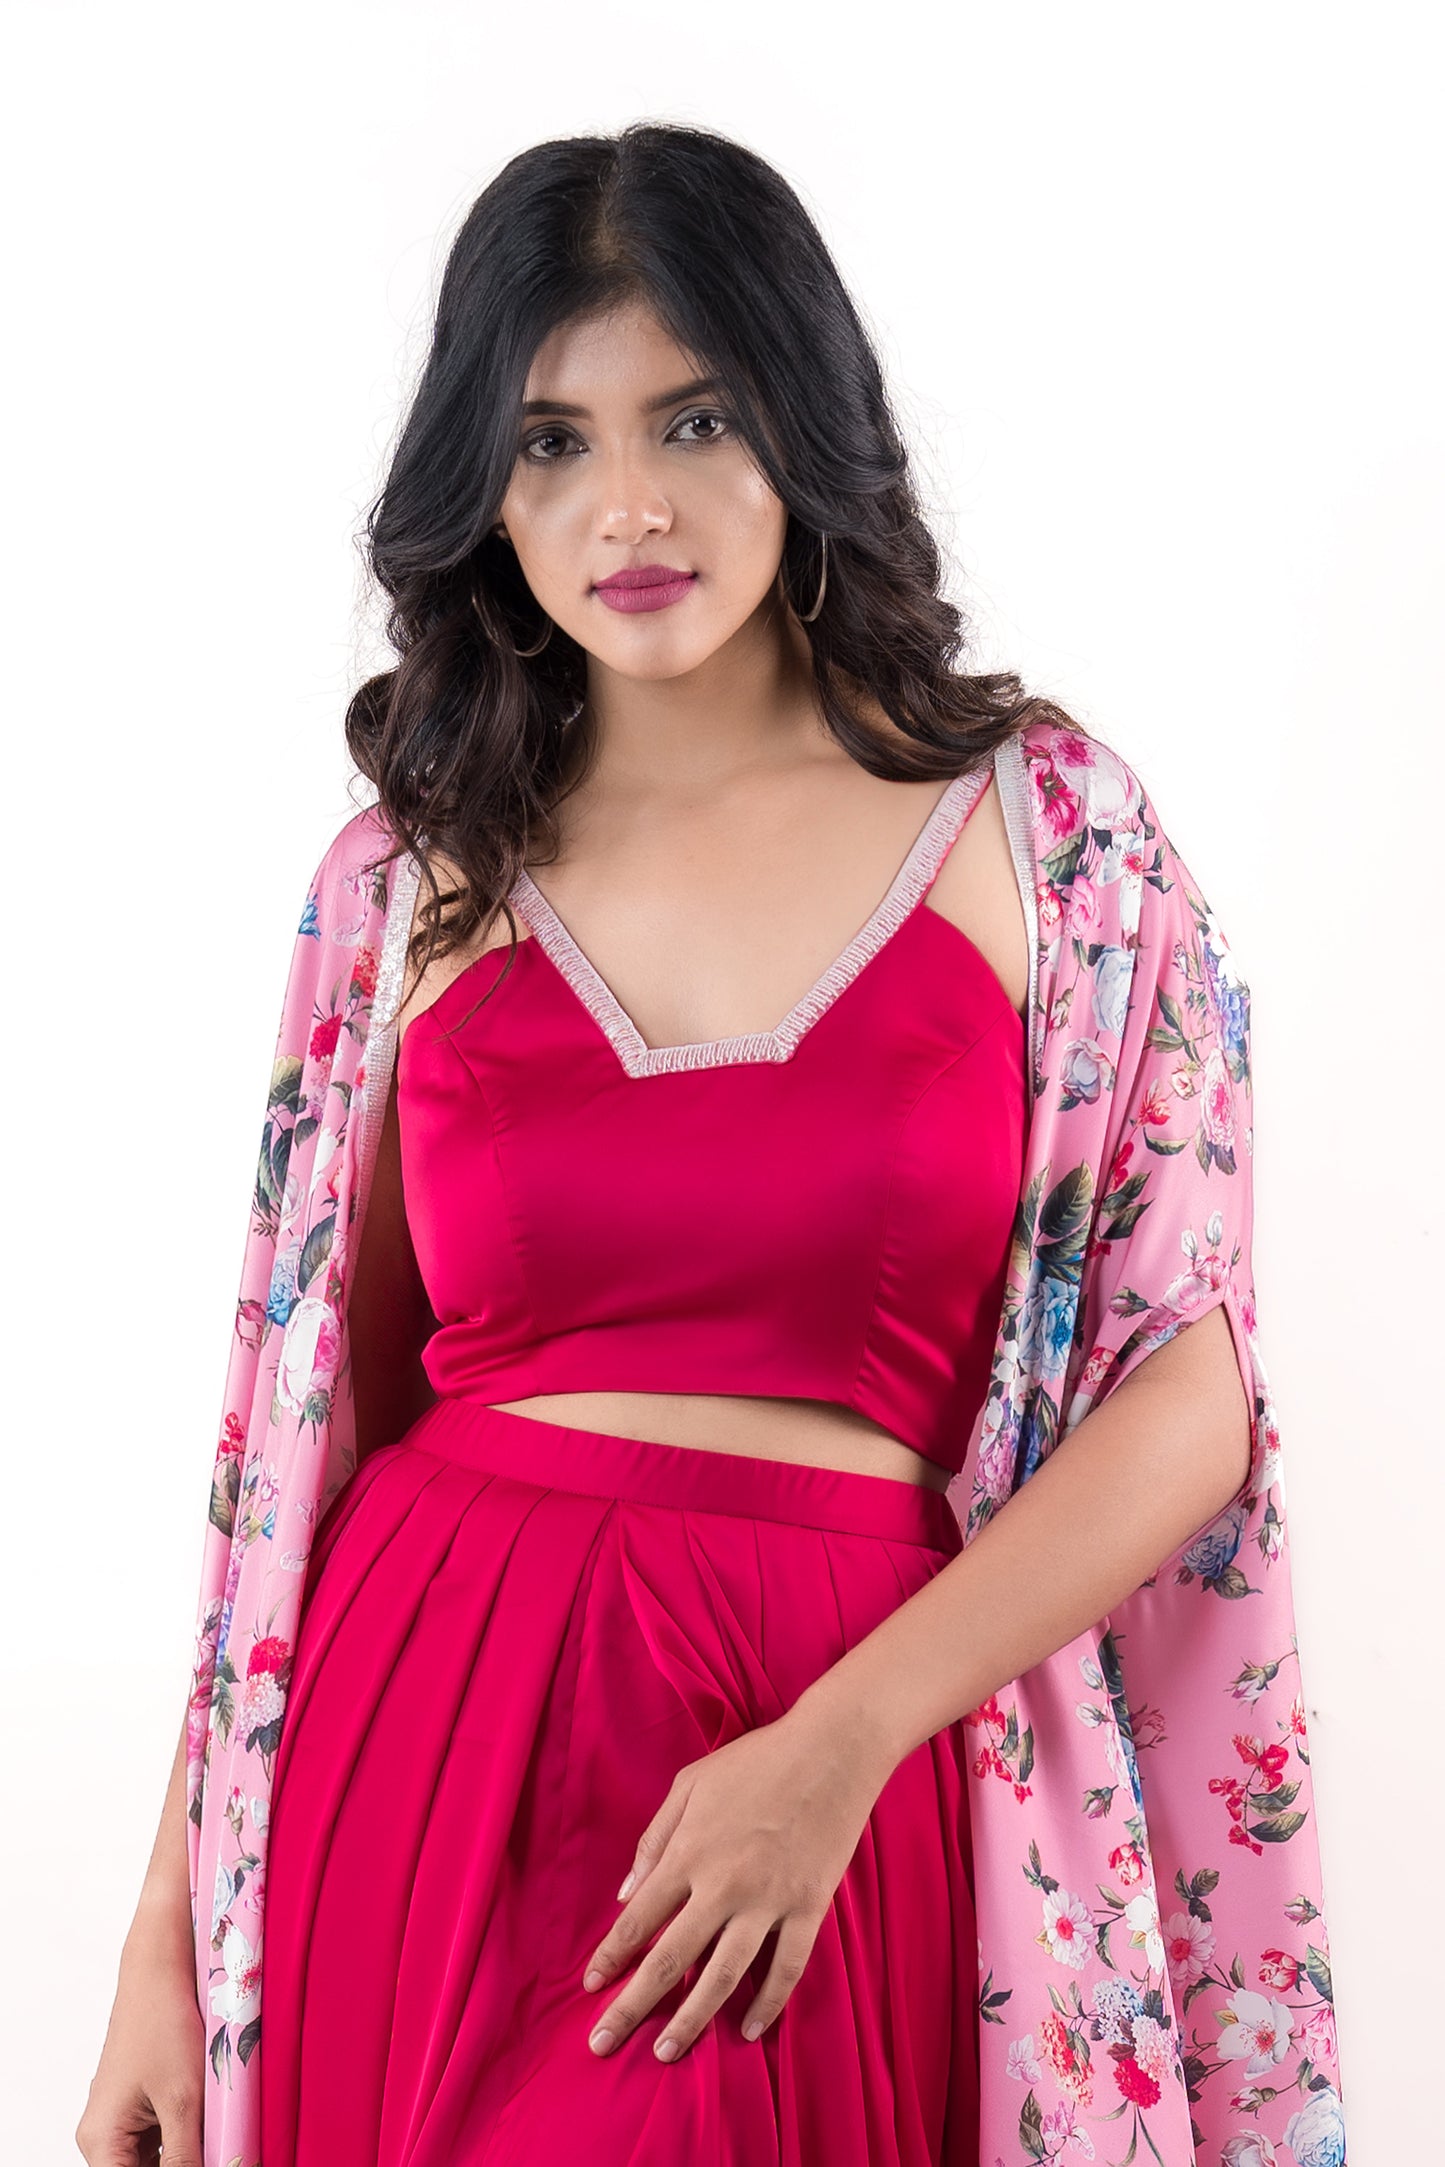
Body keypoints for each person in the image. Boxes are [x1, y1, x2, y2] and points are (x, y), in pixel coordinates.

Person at [78, 122, 1345, 2167]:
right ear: (480, 486)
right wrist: (160, 1933)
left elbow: (1185, 1393)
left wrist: (840, 1743)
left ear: (807, 426)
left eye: (695, 418)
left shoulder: (1050, 837)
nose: (630, 506)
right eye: (551, 440)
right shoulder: (405, 885)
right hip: (427, 1735)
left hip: (834, 1749)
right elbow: (293, 1461)